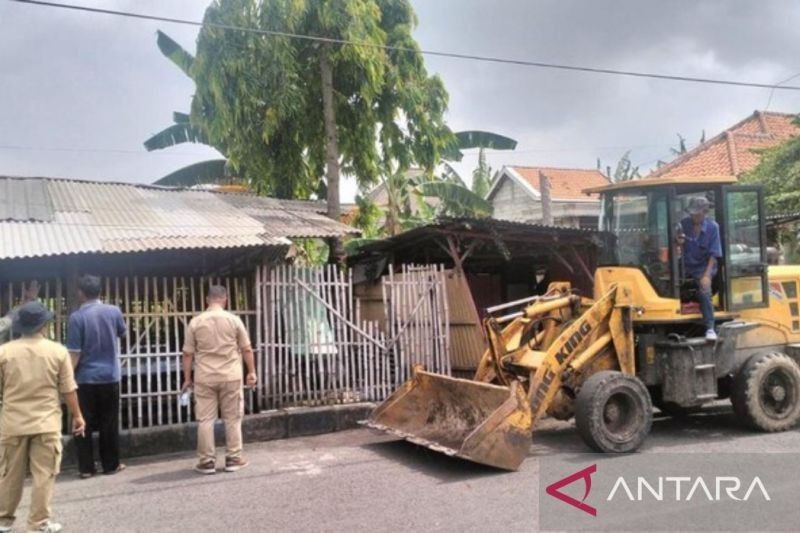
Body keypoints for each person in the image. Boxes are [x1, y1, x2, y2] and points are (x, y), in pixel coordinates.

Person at [0, 301, 86, 533]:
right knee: (44, 475)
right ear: (44, 325)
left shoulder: (4, 352)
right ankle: (38, 523)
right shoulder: (57, 351)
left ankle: (3, 521)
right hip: (46, 422)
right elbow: (68, 388)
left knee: (9, 474)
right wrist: (78, 416)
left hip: (12, 423)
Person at [182, 285, 257, 475]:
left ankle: (206, 462)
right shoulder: (234, 320)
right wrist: (251, 372)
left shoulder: (196, 322)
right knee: (232, 418)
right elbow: (247, 349)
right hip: (231, 375)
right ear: (225, 299)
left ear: (207, 300)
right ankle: (234, 458)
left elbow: (188, 354)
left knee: (205, 420)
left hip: (205, 377)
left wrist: (187, 379)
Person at [66, 275, 127, 479]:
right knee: (109, 422)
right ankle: (111, 464)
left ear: (81, 293)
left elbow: (74, 352)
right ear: (99, 291)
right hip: (110, 376)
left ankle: (86, 468)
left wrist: (67, 377)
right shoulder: (114, 311)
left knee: (83, 422)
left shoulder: (76, 318)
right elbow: (122, 333)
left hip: (85, 378)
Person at [677, 196, 723, 341]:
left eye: (696, 213)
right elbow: (678, 244)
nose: (693, 216)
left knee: (704, 292)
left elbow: (714, 254)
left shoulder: (712, 227)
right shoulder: (684, 224)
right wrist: (678, 243)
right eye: (692, 213)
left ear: (704, 212)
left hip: (704, 267)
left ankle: (710, 327)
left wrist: (707, 276)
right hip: (686, 266)